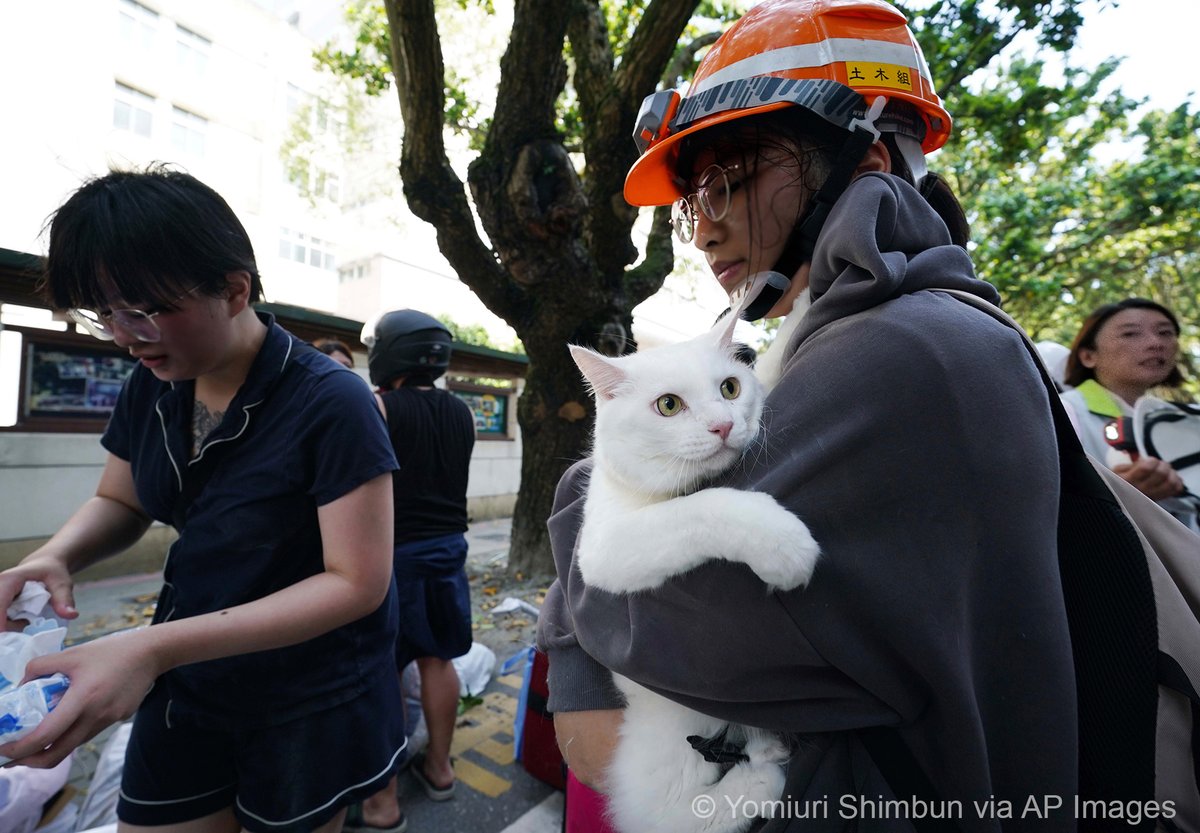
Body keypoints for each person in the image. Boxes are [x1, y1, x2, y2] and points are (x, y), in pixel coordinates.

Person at [537, 0, 1080, 825]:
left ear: (857, 157)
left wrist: (578, 518)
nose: (705, 229)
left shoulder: (898, 347)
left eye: (728, 179)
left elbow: (674, 630)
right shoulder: (862, 329)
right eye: (691, 202)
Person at [0, 167, 405, 833]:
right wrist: (56, 553)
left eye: (144, 308)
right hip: (189, 670)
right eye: (104, 314)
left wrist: (149, 649)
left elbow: (357, 582)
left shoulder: (333, 400)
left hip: (307, 692)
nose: (125, 334)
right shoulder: (152, 382)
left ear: (235, 288)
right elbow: (122, 500)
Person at [349, 310, 476, 833]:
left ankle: (382, 803)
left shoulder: (375, 406)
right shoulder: (463, 412)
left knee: (381, 671)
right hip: (449, 552)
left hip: (391, 558)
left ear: (390, 352)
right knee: (438, 660)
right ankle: (441, 769)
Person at [1060, 297, 1199, 532]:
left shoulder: (1181, 418)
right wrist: (1115, 497)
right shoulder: (1064, 413)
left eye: (1165, 333)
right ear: (1088, 356)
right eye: (1131, 334)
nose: (1156, 343)